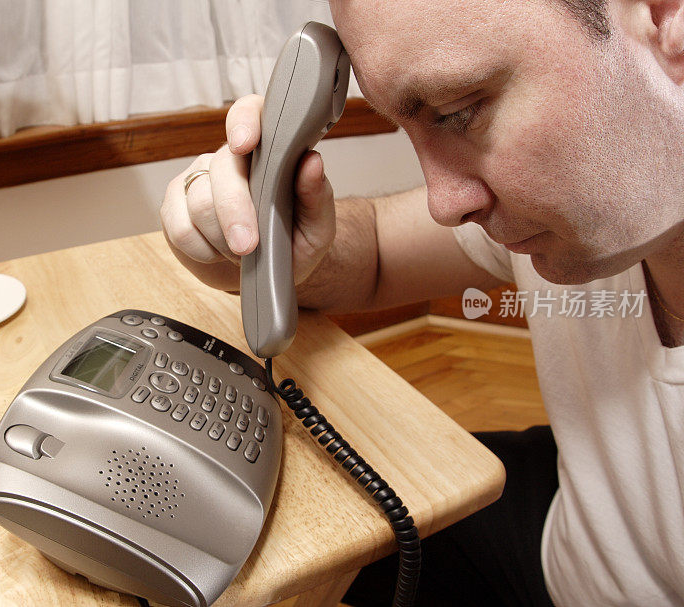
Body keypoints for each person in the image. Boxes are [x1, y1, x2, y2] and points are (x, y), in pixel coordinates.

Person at [160, 0, 684, 605]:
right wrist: (267, 243)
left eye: (458, 111)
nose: (444, 202)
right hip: (568, 531)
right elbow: (378, 250)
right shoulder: (592, 210)